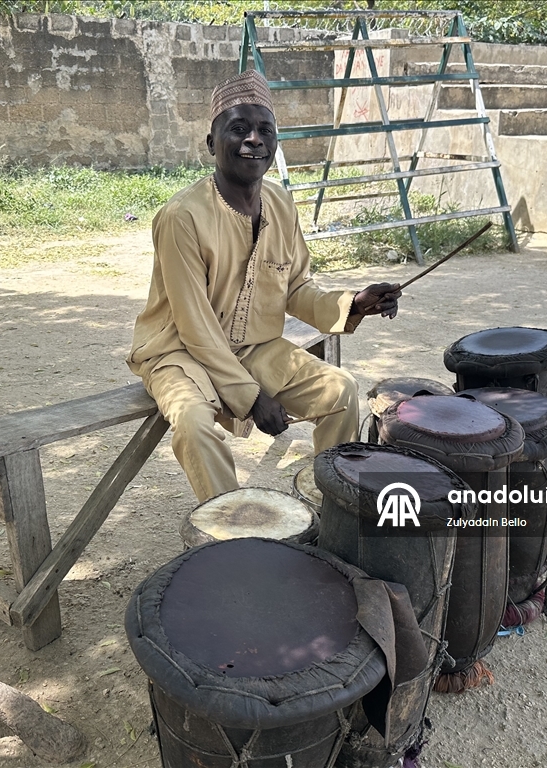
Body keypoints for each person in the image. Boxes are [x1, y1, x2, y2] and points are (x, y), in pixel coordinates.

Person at [127, 69, 401, 502]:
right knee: (194, 423)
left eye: (265, 130)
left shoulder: (280, 202)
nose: (254, 139)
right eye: (238, 129)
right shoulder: (182, 216)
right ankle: (234, 533)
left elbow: (294, 288)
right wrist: (253, 397)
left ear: (274, 143)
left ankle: (336, 509)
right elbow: (195, 325)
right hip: (178, 350)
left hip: (253, 345)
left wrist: (353, 303)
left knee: (341, 392)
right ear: (211, 143)